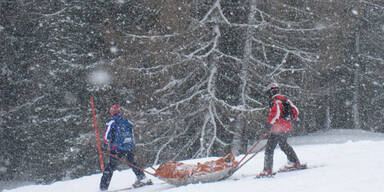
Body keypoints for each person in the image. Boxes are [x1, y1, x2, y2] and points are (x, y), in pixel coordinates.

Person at [99, 104, 152, 191]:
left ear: (112, 113)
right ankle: (142, 178)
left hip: (116, 148)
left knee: (110, 167)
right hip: (128, 147)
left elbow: (106, 136)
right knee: (132, 163)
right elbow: (132, 135)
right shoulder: (128, 122)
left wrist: (104, 145)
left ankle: (103, 187)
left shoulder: (111, 122)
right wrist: (132, 146)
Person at [257, 83, 301, 177]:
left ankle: (267, 170)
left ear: (270, 92)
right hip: (287, 127)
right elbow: (296, 111)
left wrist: (269, 124)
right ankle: (295, 162)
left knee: (269, 148)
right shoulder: (285, 99)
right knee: (283, 144)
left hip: (278, 128)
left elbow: (276, 114)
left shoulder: (275, 100)